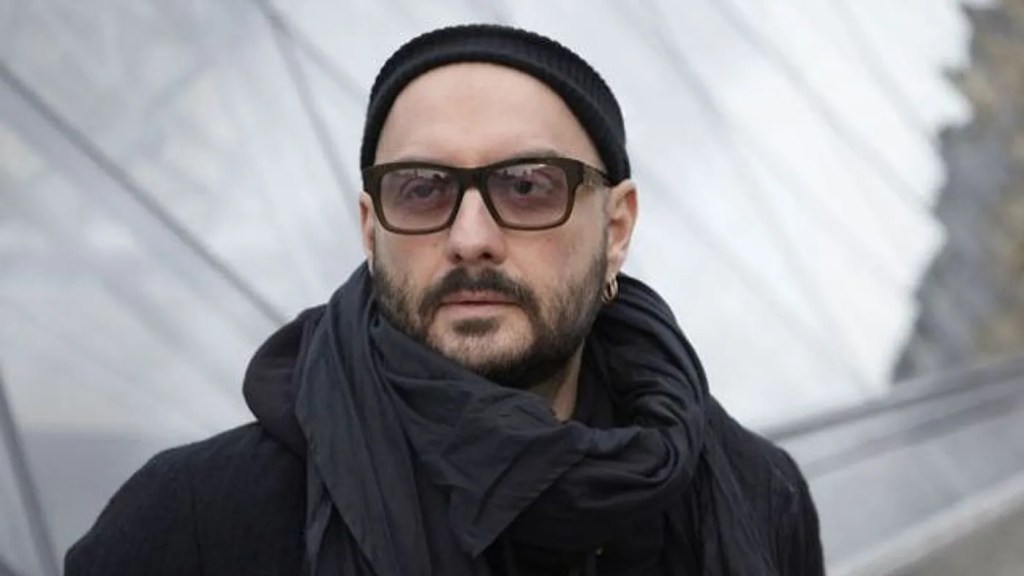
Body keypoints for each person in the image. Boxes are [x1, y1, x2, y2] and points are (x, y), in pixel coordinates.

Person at [66, 24, 824, 576]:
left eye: (527, 186)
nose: (470, 238)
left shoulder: (757, 494)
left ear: (616, 228)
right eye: (422, 189)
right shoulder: (196, 519)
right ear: (371, 229)